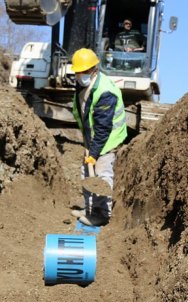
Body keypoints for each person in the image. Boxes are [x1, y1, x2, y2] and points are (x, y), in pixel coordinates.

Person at [69, 48, 127, 227]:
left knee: (101, 175)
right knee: (86, 172)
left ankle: (101, 215)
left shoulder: (105, 92)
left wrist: (94, 153)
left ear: (94, 69)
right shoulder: (85, 83)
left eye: (84, 72)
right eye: (78, 72)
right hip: (92, 137)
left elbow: (103, 129)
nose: (80, 75)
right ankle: (90, 209)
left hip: (108, 139)